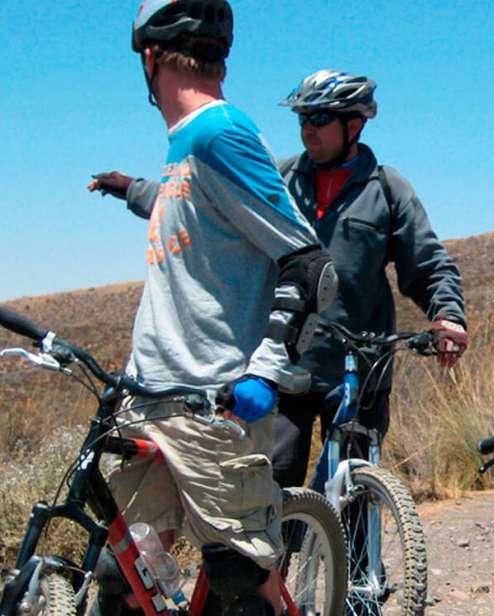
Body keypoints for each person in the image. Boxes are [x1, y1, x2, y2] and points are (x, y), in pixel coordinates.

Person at [86, 1, 335, 614]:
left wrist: (265, 368)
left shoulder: (220, 132)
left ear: (149, 57)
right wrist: (129, 190)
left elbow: (310, 266)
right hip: (148, 402)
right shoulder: (183, 149)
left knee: (240, 587)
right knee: (125, 584)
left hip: (210, 409)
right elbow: (203, 222)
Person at [268, 69, 467, 489]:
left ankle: (358, 558)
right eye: (303, 119)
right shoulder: (281, 181)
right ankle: (278, 558)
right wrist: (138, 191)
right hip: (286, 363)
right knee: (272, 492)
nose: (308, 131)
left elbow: (427, 264)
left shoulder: (386, 189)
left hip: (360, 367)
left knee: (353, 494)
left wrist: (447, 314)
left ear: (353, 124)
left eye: (319, 120)